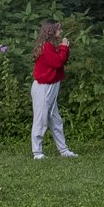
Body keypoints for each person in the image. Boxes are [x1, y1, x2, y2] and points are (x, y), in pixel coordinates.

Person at [30, 19, 77, 159]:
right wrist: (64, 47)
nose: (61, 31)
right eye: (59, 29)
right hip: (43, 88)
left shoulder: (49, 46)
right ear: (51, 31)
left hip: (50, 88)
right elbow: (57, 63)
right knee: (41, 120)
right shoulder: (46, 47)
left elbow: (60, 61)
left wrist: (64, 49)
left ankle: (64, 150)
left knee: (55, 120)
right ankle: (37, 152)